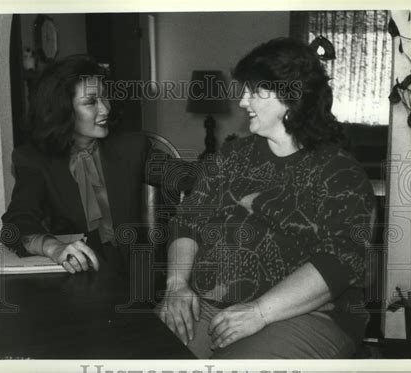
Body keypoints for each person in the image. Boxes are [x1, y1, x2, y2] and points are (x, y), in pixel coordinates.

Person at [158, 37, 376, 359]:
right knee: (145, 352)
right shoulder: (233, 155)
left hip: (302, 315)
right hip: (208, 304)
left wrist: (259, 312)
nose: (243, 101)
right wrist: (177, 286)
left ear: (291, 97)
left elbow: (340, 260)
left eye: (254, 90)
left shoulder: (339, 171)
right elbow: (188, 221)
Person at [1, 55, 192, 274]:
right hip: (74, 277)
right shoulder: (34, 160)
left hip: (134, 279)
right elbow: (16, 224)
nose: (105, 109)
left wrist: (236, 164)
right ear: (61, 109)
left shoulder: (132, 148)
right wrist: (54, 248)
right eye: (91, 102)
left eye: (105, 97)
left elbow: (190, 176)